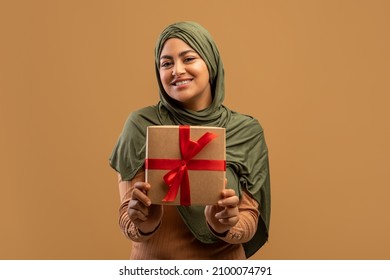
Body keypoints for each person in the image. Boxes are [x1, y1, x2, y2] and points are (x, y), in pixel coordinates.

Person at [109, 21, 270, 259]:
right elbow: (128, 218)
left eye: (188, 59)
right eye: (166, 63)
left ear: (210, 63)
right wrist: (143, 222)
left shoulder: (245, 131)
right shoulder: (141, 124)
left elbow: (249, 221)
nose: (177, 70)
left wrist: (227, 224)